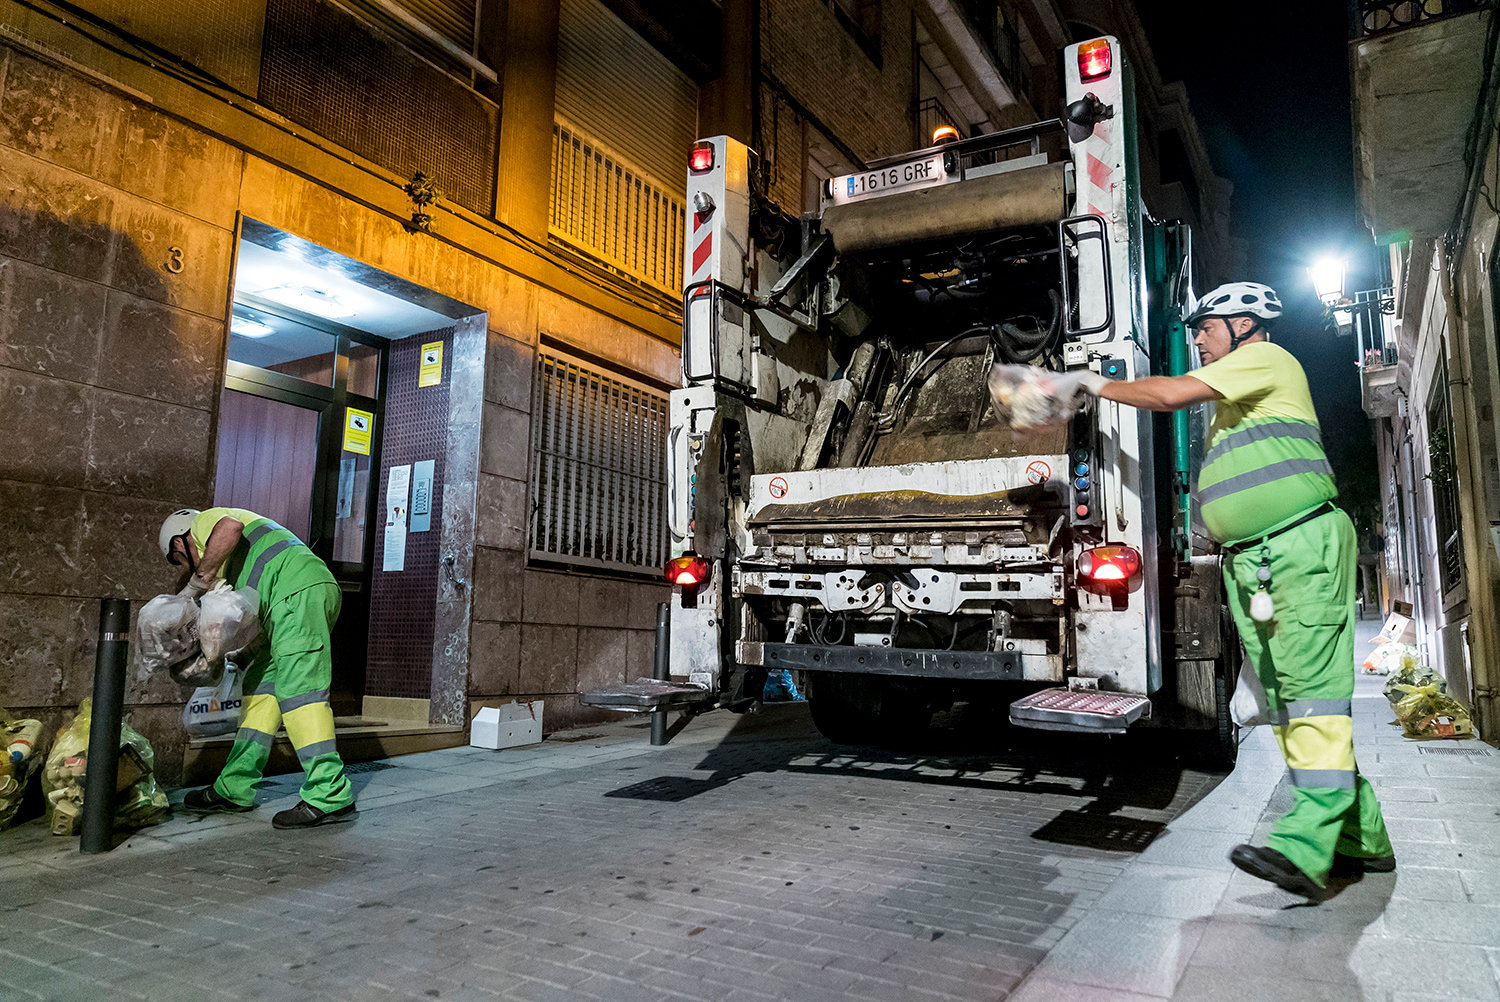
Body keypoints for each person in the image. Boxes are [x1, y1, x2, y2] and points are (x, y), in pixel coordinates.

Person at [1076, 281, 1394, 897]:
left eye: (1207, 326)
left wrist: (1091, 384)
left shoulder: (1268, 360)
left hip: (1295, 549)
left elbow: (1166, 394)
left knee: (1311, 699)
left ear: (1245, 325)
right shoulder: (1237, 400)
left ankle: (1304, 850)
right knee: (1294, 702)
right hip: (1261, 561)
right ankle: (1363, 837)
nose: (1196, 337)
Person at [160, 507, 356, 829]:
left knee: (300, 693)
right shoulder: (234, 565)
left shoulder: (204, 523)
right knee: (260, 693)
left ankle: (329, 792)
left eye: (181, 561)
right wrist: (238, 654)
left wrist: (197, 584)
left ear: (180, 544)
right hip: (285, 604)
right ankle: (234, 787)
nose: (187, 567)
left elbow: (230, 527)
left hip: (297, 595)